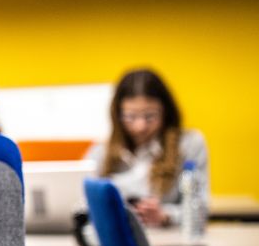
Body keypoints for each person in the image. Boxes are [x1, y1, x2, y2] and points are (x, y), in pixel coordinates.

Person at [85, 68, 208, 227]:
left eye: (150, 116)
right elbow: (81, 203)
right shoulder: (101, 150)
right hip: (116, 238)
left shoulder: (189, 144)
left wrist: (165, 215)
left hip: (169, 240)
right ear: (118, 115)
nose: (140, 126)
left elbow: (201, 210)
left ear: (165, 112)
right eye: (130, 116)